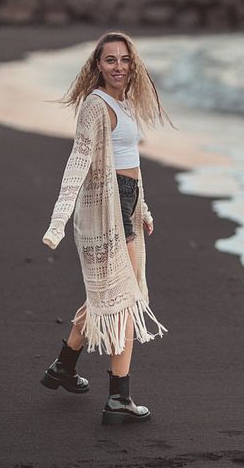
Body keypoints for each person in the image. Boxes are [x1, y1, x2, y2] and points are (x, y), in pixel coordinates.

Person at [40, 30, 172, 424]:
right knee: (124, 299)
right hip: (104, 209)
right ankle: (118, 398)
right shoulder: (95, 106)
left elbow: (129, 161)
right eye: (110, 59)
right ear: (97, 65)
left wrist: (142, 209)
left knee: (111, 295)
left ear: (134, 64)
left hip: (125, 202)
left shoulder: (125, 102)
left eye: (125, 59)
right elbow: (78, 163)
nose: (119, 66)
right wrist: (58, 221)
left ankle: (63, 367)